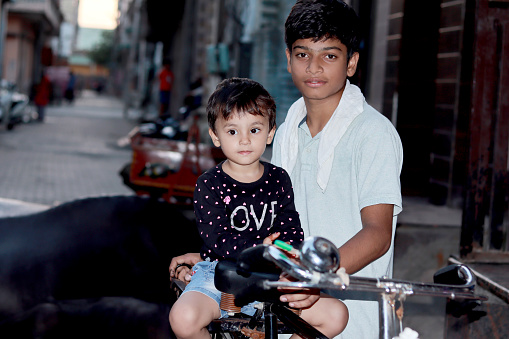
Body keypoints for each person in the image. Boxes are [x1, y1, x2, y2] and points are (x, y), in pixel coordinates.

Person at [168, 77, 348, 339]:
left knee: (336, 315)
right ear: (215, 136)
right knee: (183, 318)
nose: (244, 140)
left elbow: (291, 231)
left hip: (272, 278)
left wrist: (286, 252)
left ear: (270, 132)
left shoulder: (279, 179)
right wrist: (260, 248)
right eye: (232, 131)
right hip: (219, 275)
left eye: (254, 130)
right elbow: (217, 239)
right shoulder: (209, 183)